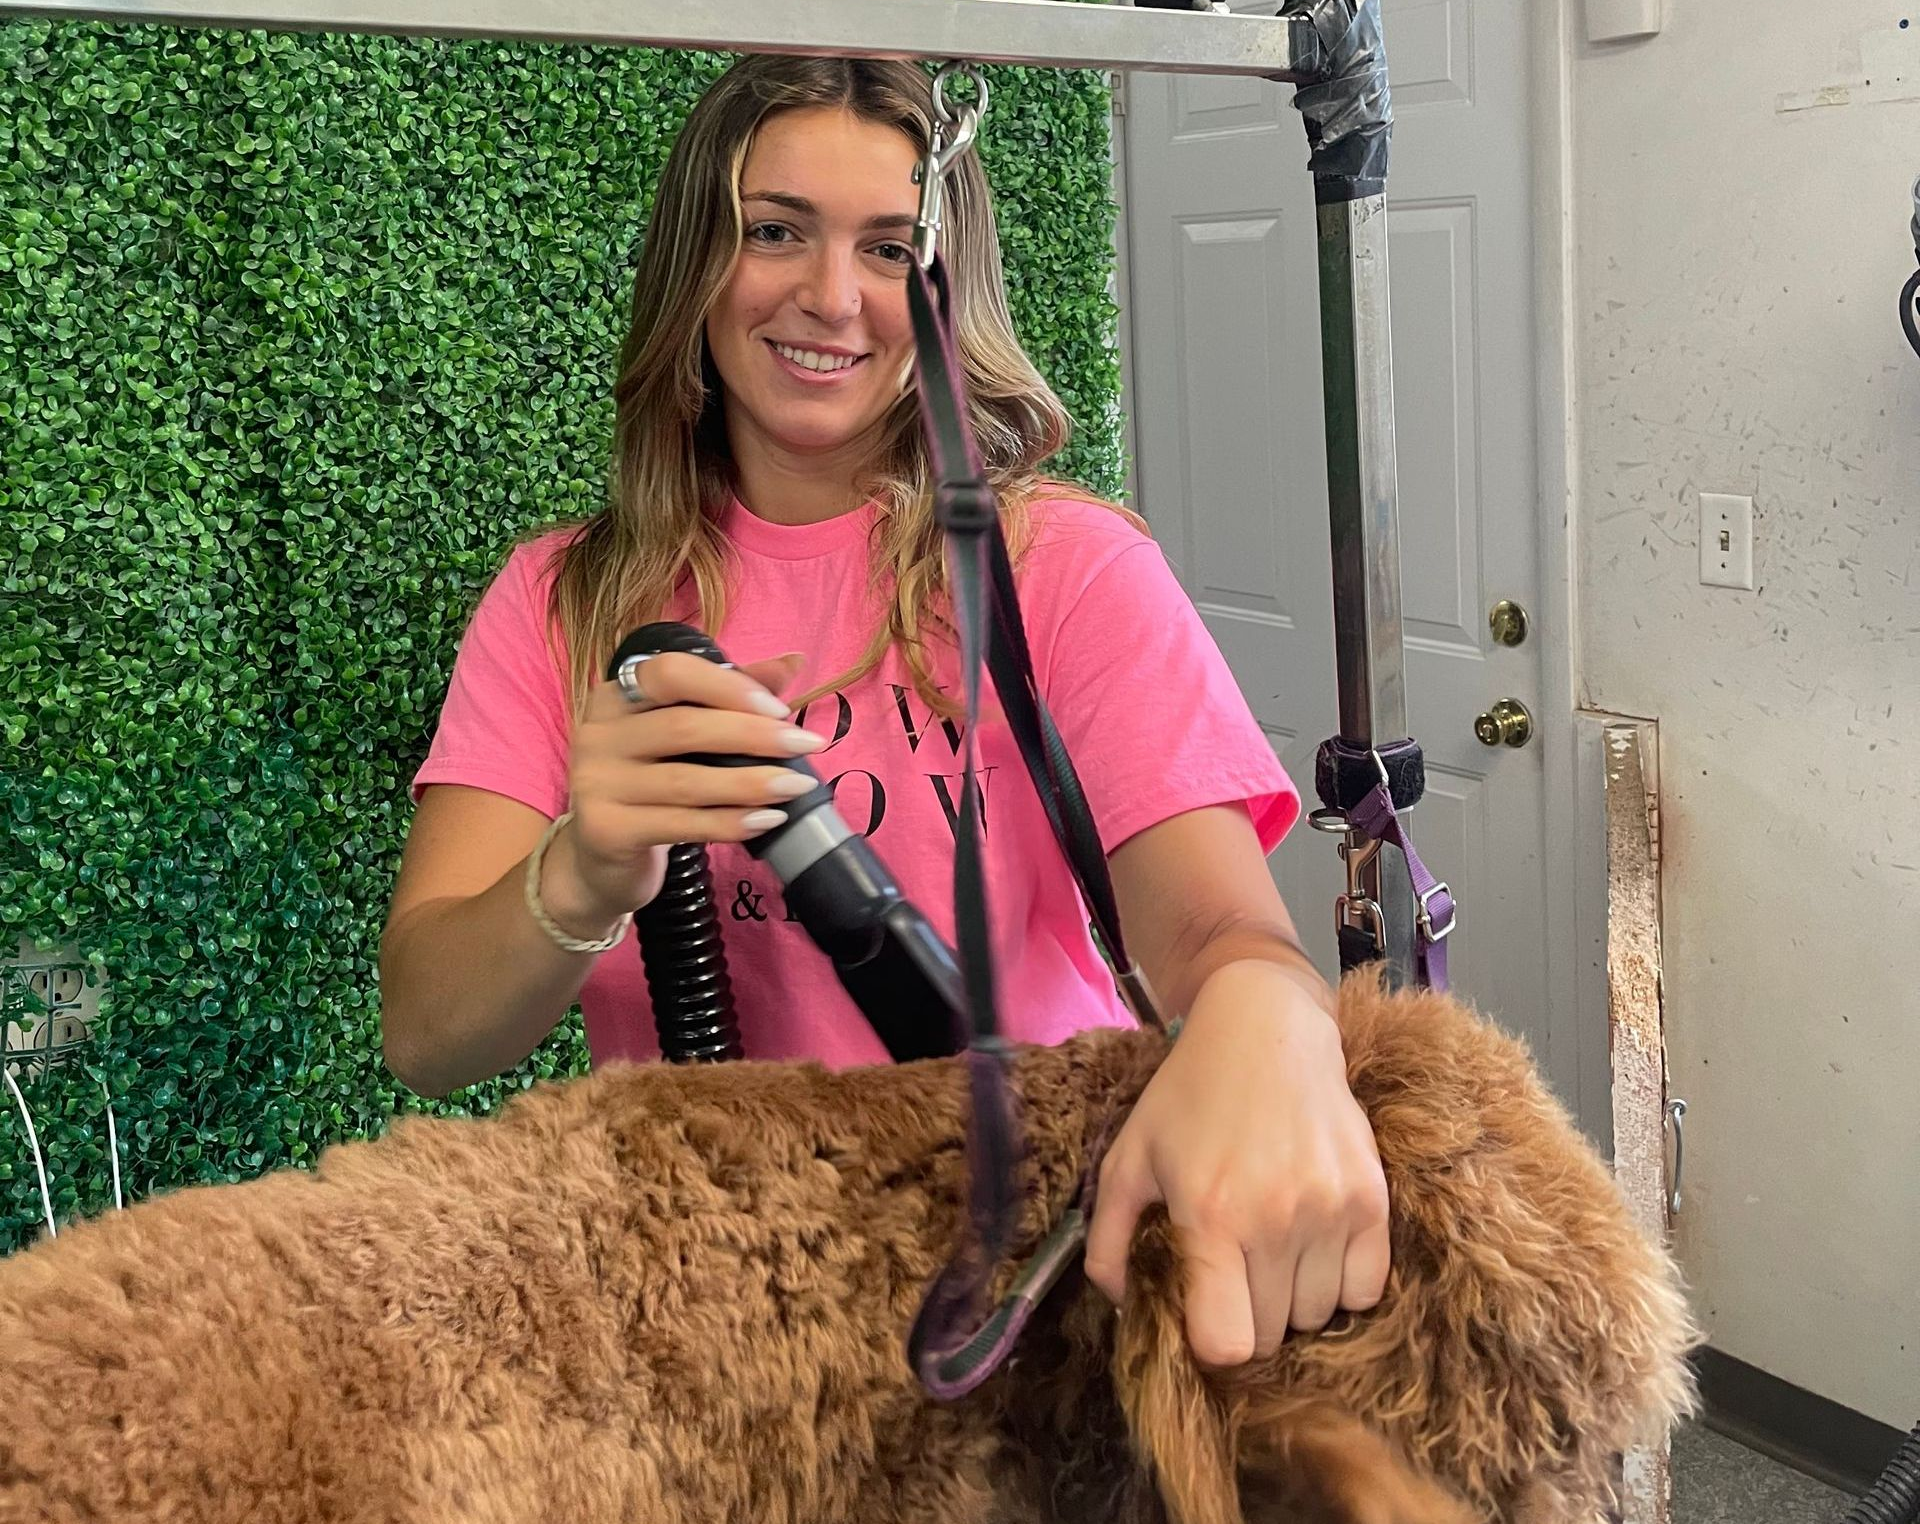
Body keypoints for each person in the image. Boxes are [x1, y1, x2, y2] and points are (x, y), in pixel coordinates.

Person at [377, 53, 1389, 1371]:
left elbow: (1216, 931)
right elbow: (429, 1034)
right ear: (698, 259)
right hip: (708, 1308)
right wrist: (581, 872)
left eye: (887, 247)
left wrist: (1267, 1013)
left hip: (1021, 1293)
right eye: (776, 232)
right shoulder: (562, 604)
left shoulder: (1061, 571)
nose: (832, 297)